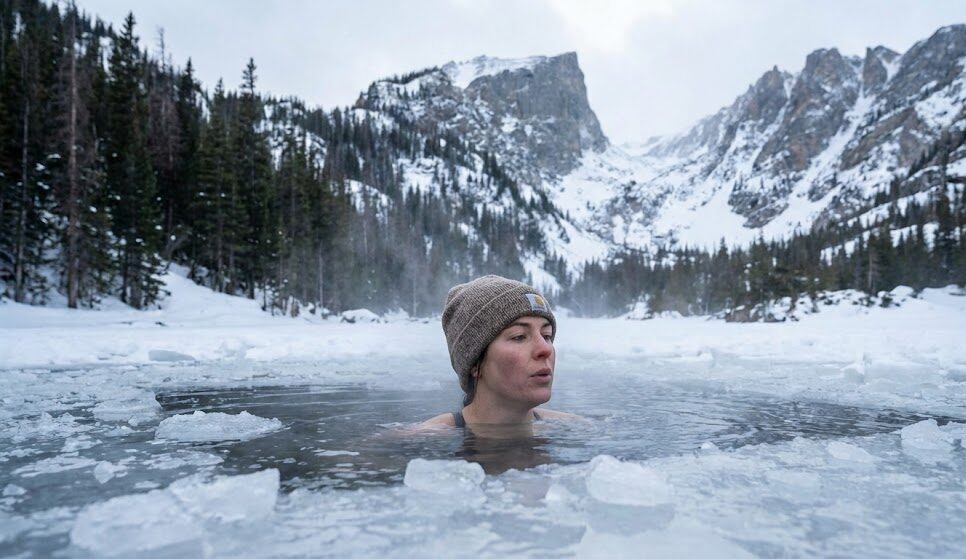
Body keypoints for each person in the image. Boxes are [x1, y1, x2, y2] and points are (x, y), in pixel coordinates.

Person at [422, 275, 575, 428]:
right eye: (519, 336)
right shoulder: (426, 438)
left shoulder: (572, 426)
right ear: (475, 363)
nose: (546, 349)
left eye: (546, 335)